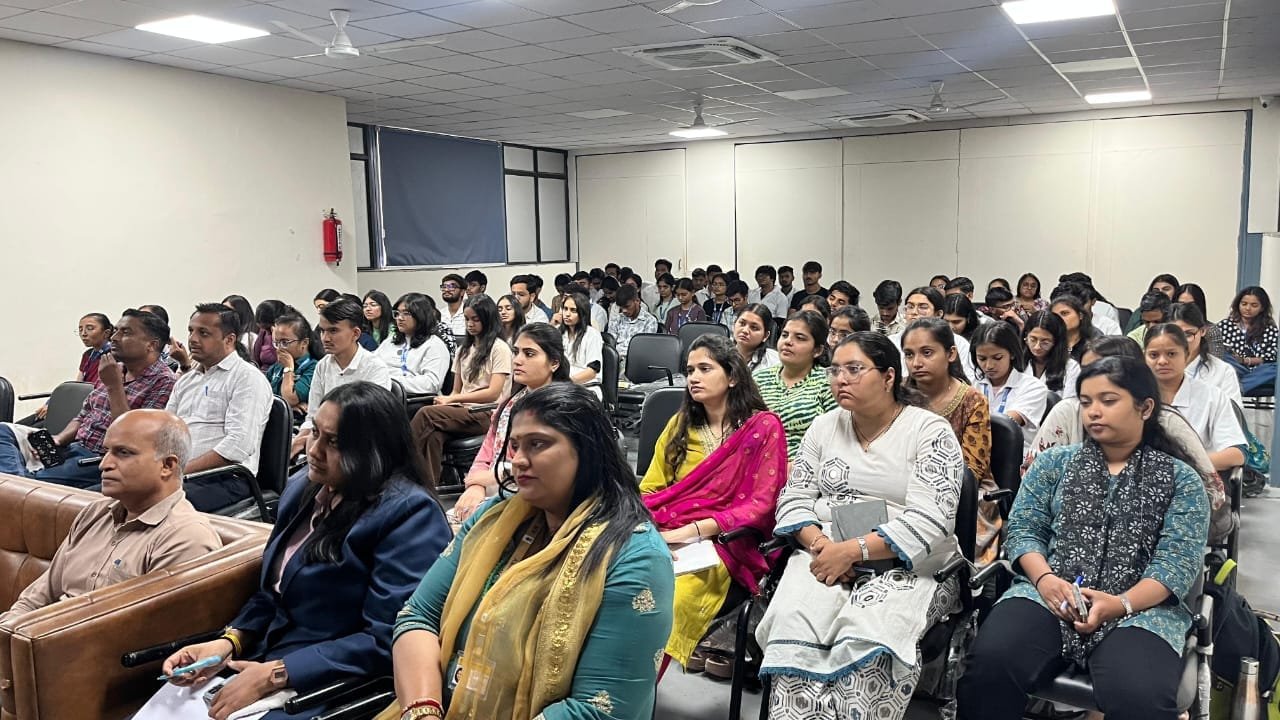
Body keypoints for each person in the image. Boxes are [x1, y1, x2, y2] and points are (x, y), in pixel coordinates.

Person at [155, 383, 451, 720]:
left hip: (330, 679)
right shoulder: (304, 488)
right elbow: (273, 594)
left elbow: (388, 637)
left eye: (334, 442)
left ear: (374, 450)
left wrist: (278, 673)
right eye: (315, 432)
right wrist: (227, 643)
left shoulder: (410, 514)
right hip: (266, 656)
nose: (314, 450)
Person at [386, 384, 672, 720]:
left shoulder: (634, 557)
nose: (518, 460)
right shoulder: (492, 519)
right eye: (515, 446)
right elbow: (418, 615)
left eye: (538, 444)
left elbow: (600, 710)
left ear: (588, 450)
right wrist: (423, 711)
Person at [957, 357, 1210, 720]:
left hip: (1142, 610)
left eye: (1108, 400)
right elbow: (1024, 530)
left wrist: (1121, 603)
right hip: (1048, 594)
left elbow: (1176, 563)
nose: (1093, 411)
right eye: (1086, 402)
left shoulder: (1180, 479)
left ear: (1145, 408)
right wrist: (1046, 581)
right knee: (989, 667)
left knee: (1140, 695)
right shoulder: (1055, 463)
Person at [756, 331, 964, 720]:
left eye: (854, 369)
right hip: (824, 554)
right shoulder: (824, 427)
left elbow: (931, 518)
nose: (841, 379)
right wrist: (822, 547)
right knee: (794, 625)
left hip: (909, 564)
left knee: (868, 636)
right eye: (835, 370)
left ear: (888, 377)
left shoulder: (929, 431)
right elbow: (794, 498)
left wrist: (853, 551)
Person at [642, 335, 788, 670]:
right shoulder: (680, 425)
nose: (693, 377)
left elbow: (761, 505)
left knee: (672, 597)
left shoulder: (763, 427)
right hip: (666, 533)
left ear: (732, 376)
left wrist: (688, 533)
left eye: (705, 369)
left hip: (726, 544)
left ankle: (642, 687)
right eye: (690, 370)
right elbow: (650, 490)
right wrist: (654, 533)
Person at [1, 410, 220, 624]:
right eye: (106, 452)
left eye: (123, 453)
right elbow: (36, 597)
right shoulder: (95, 513)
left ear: (167, 466)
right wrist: (9, 630)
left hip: (80, 645)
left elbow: (142, 634)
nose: (104, 464)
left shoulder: (186, 539)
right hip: (40, 637)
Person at [1032, 336, 1231, 542]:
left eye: (1105, 371)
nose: (1093, 379)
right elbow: (1034, 489)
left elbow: (1211, 493)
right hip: (1068, 532)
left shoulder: (1167, 424)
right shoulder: (1067, 413)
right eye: (1086, 370)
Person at [0, 309, 177, 488]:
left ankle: (19, 483)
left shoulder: (164, 382)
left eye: (125, 332)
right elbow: (84, 414)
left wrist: (114, 387)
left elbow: (131, 437)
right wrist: (58, 439)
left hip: (100, 459)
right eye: (116, 330)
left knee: (30, 485)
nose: (114, 337)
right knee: (3, 431)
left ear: (151, 345)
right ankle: (19, 481)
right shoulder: (115, 368)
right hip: (71, 447)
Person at [902, 318, 1000, 566]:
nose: (916, 363)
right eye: (909, 354)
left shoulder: (972, 400)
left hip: (962, 490)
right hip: (901, 479)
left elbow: (972, 468)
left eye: (927, 353)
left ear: (951, 354)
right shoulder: (897, 394)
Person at [451, 324, 572, 521]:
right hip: (495, 489)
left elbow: (552, 469)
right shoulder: (508, 404)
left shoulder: (563, 408)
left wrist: (495, 476)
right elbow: (487, 452)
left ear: (554, 363)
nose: (517, 360)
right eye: (516, 352)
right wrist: (475, 486)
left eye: (529, 354)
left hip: (539, 501)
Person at [166, 304, 273, 511]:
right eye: (191, 331)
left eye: (203, 333)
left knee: (154, 500)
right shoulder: (187, 380)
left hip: (225, 478)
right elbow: (164, 430)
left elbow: (238, 446)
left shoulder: (247, 378)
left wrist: (179, 471)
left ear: (229, 340)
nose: (192, 339)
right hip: (180, 474)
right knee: (110, 492)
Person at [410, 295, 513, 488]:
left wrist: (452, 400)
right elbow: (456, 389)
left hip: (487, 412)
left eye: (475, 319)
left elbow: (493, 393)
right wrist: (449, 400)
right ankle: (428, 489)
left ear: (488, 319)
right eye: (467, 319)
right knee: (433, 435)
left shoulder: (500, 348)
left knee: (426, 414)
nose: (470, 324)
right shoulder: (463, 349)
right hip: (463, 411)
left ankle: (399, 461)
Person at [292, 299, 392, 457]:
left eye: (333, 331)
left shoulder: (375, 368)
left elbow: (370, 424)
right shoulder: (323, 365)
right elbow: (313, 416)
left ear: (355, 334)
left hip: (360, 449)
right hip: (325, 442)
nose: (325, 338)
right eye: (322, 331)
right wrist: (299, 440)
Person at [1144, 324, 1247, 473]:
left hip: (1200, 478)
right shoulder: (1135, 396)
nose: (1162, 361)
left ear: (1187, 355)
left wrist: (1183, 467)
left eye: (1171, 354)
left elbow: (1237, 454)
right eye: (1153, 355)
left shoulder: (1212, 396)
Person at [753, 312, 835, 460]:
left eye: (800, 338)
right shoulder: (759, 379)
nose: (788, 342)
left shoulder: (828, 382)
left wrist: (796, 466)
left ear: (817, 350)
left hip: (806, 467)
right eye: (784, 335)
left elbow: (836, 438)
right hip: (756, 463)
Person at [972, 321, 1048, 453]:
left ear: (1012, 354)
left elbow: (1005, 425)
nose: (989, 366)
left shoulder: (1033, 387)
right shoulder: (972, 384)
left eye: (997, 358)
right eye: (982, 359)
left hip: (1015, 456)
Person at [892, 286, 977, 381]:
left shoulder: (959, 343)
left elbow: (968, 379)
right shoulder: (891, 341)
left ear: (938, 314)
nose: (914, 312)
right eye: (910, 307)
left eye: (923, 307)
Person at [375, 293, 451, 395]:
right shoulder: (391, 341)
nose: (399, 318)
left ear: (420, 316)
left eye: (406, 313)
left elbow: (431, 383)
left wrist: (391, 382)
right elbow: (372, 364)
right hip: (383, 393)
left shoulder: (434, 345)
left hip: (414, 398)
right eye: (397, 313)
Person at [1171, 302, 1240, 405]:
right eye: (1175, 334)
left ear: (1202, 331)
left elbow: (1232, 412)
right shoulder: (1155, 368)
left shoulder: (1223, 371)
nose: (1182, 341)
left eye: (1188, 334)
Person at [1217, 285, 1277, 394]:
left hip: (1259, 371)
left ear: (1262, 308)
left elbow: (1271, 357)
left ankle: (1238, 388)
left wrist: (1246, 360)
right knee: (1220, 354)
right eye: (1244, 304)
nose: (1248, 308)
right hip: (1235, 367)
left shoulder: (1269, 328)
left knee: (1275, 367)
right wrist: (1235, 358)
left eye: (1254, 305)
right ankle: (1245, 384)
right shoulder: (1225, 325)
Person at [266, 312, 320, 417]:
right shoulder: (276, 367)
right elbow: (261, 397)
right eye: (276, 343)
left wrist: (288, 368)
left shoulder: (313, 367)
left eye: (285, 342)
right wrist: (288, 408)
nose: (279, 348)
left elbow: (290, 399)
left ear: (304, 343)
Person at [1022, 311, 1081, 400]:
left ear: (1056, 342)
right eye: (1033, 340)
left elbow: (1069, 404)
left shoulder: (1071, 368)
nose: (1037, 347)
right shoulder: (1016, 363)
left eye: (1045, 342)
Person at [560, 291, 605, 398]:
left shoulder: (592, 335)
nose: (567, 314)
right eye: (565, 309)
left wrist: (567, 383)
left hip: (586, 387)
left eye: (573, 310)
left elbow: (592, 371)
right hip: (562, 387)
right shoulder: (559, 333)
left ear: (582, 313)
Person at [608, 284, 660, 365]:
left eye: (627, 306)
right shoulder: (617, 319)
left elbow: (646, 348)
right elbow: (611, 344)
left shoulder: (649, 321)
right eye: (621, 307)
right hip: (614, 361)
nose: (624, 310)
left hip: (636, 362)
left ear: (637, 301)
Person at [1175, 282, 1223, 356]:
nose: (1186, 309)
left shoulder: (1211, 330)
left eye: (1191, 305)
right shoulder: (1166, 327)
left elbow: (1216, 359)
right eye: (1181, 304)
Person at [1049, 292, 1098, 362]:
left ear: (1080, 315)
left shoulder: (1095, 341)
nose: (1060, 318)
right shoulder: (1049, 343)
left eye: (1064, 313)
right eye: (1055, 315)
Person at [733, 303, 778, 372]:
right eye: (742, 323)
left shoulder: (775, 362)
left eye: (754, 327)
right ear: (734, 325)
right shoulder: (720, 354)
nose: (745, 330)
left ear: (765, 336)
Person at [75, 312, 116, 386]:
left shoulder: (115, 355)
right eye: (80, 330)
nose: (83, 334)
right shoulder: (87, 354)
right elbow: (78, 383)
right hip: (86, 391)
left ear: (106, 333)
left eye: (90, 329)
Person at [251, 300, 286, 372]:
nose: (268, 332)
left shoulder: (288, 335)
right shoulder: (263, 332)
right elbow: (256, 360)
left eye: (268, 328)